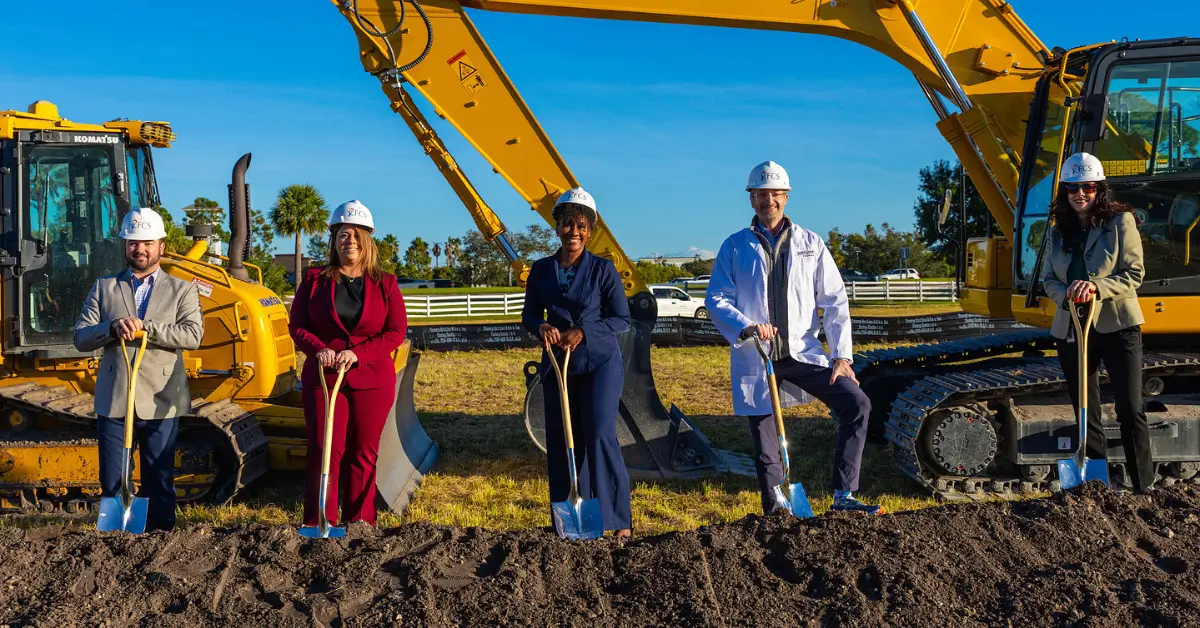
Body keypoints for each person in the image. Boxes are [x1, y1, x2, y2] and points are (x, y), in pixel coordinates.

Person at [707, 161, 882, 516]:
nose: (766, 200)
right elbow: (717, 298)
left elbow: (834, 300)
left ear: (785, 197)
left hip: (803, 355)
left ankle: (844, 495)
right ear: (751, 199)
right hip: (759, 357)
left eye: (774, 194)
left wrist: (841, 356)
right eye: (759, 194)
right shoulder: (735, 246)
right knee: (766, 446)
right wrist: (747, 326)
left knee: (856, 404)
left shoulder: (810, 243)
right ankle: (777, 512)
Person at [73, 207, 204, 532]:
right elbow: (81, 336)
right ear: (125, 246)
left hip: (161, 397)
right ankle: (115, 539)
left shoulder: (182, 289)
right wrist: (113, 326)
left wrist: (147, 328)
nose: (140, 249)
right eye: (133, 243)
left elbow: (192, 335)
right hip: (115, 396)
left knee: (158, 474)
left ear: (161, 245)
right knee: (112, 476)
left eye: (147, 242)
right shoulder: (105, 288)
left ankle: (161, 537)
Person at [289, 200, 409, 528]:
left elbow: (396, 331)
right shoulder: (314, 280)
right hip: (324, 378)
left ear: (367, 240)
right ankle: (319, 523)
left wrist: (360, 354)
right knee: (325, 450)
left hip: (372, 380)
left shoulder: (386, 283)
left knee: (364, 453)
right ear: (334, 239)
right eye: (344, 234)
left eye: (356, 235)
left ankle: (359, 523)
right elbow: (297, 325)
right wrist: (318, 349)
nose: (350, 241)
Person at [522, 187, 633, 539]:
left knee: (599, 434)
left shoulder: (603, 270)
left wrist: (583, 331)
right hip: (558, 366)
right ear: (557, 228)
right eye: (568, 224)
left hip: (599, 362)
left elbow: (622, 319)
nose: (574, 232)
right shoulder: (541, 270)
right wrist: (540, 326)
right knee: (563, 440)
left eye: (582, 226)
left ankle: (617, 520)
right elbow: (528, 316)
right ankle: (571, 518)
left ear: (590, 230)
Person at [1041, 152, 1152, 493]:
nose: (1080, 194)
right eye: (1073, 187)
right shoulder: (1058, 231)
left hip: (1117, 326)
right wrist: (1066, 295)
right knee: (1085, 410)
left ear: (1099, 189)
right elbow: (1048, 279)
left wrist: (1095, 287)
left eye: (1088, 187)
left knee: (1130, 408)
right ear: (1065, 191)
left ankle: (1143, 486)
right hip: (1072, 327)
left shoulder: (1120, 222)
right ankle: (1097, 486)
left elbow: (1134, 273)